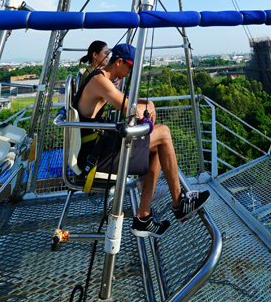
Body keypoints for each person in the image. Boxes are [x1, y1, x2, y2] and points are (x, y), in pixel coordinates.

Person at [74, 42, 210, 238]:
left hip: (99, 146)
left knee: (156, 148)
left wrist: (149, 103)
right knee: (163, 133)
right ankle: (178, 202)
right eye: (130, 67)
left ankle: (144, 218)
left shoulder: (103, 79)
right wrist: (145, 109)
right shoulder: (99, 81)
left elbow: (127, 100)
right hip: (93, 158)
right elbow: (132, 110)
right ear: (119, 62)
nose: (130, 72)